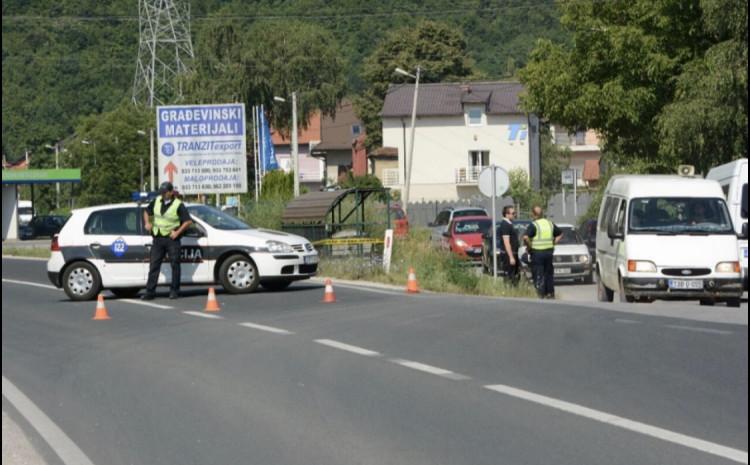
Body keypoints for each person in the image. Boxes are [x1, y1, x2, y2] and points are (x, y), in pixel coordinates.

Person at [142, 182, 193, 300]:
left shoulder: (178, 204)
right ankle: (150, 292)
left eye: (165, 192)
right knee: (154, 265)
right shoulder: (157, 200)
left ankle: (174, 290)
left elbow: (188, 221)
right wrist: (147, 222)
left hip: (171, 239)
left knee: (175, 264)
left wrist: (177, 232)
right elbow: (146, 211)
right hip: (158, 238)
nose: (163, 195)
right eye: (162, 193)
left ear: (171, 192)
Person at [523, 205, 562, 299]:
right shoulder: (550, 223)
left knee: (538, 273)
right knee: (548, 273)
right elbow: (560, 233)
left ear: (533, 214)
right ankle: (550, 293)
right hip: (549, 252)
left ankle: (541, 293)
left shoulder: (534, 225)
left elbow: (525, 237)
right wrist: (553, 243)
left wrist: (529, 246)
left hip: (537, 253)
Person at [498, 205, 520, 285]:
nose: (514, 215)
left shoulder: (509, 224)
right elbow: (506, 242)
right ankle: (510, 291)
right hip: (508, 255)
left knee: (515, 275)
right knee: (510, 276)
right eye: (513, 213)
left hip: (513, 253)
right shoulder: (505, 225)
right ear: (507, 214)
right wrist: (511, 257)